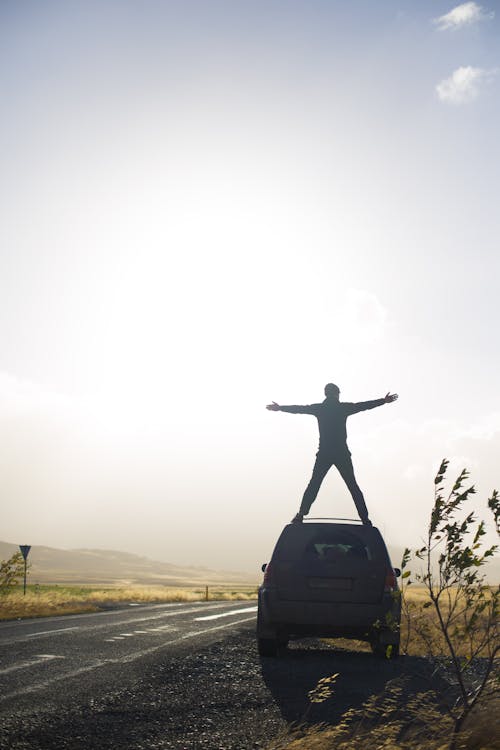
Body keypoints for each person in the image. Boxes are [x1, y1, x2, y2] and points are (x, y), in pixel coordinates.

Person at [266, 383, 398, 525]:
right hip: (342, 453)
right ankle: (365, 518)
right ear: (337, 394)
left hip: (324, 453)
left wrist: (280, 408)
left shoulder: (320, 408)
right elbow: (363, 406)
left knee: (314, 484)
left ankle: (300, 515)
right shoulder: (342, 408)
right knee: (352, 486)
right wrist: (383, 401)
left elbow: (300, 409)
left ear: (326, 394)